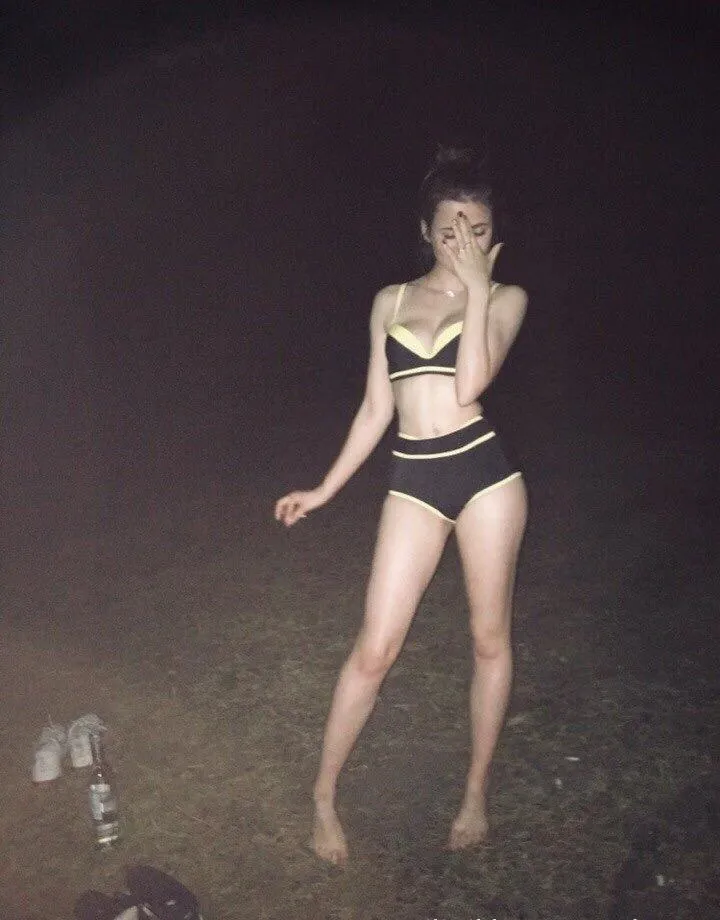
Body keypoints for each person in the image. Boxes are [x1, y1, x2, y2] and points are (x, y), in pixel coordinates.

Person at [274, 148, 529, 865]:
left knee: (489, 639)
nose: (464, 243)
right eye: (450, 230)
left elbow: (470, 385)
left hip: (486, 477)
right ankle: (324, 796)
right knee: (375, 648)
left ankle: (474, 791)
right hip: (414, 477)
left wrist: (476, 291)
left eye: (478, 230)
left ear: (494, 233)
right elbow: (375, 410)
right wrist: (323, 490)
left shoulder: (506, 298)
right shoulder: (388, 301)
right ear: (425, 231)